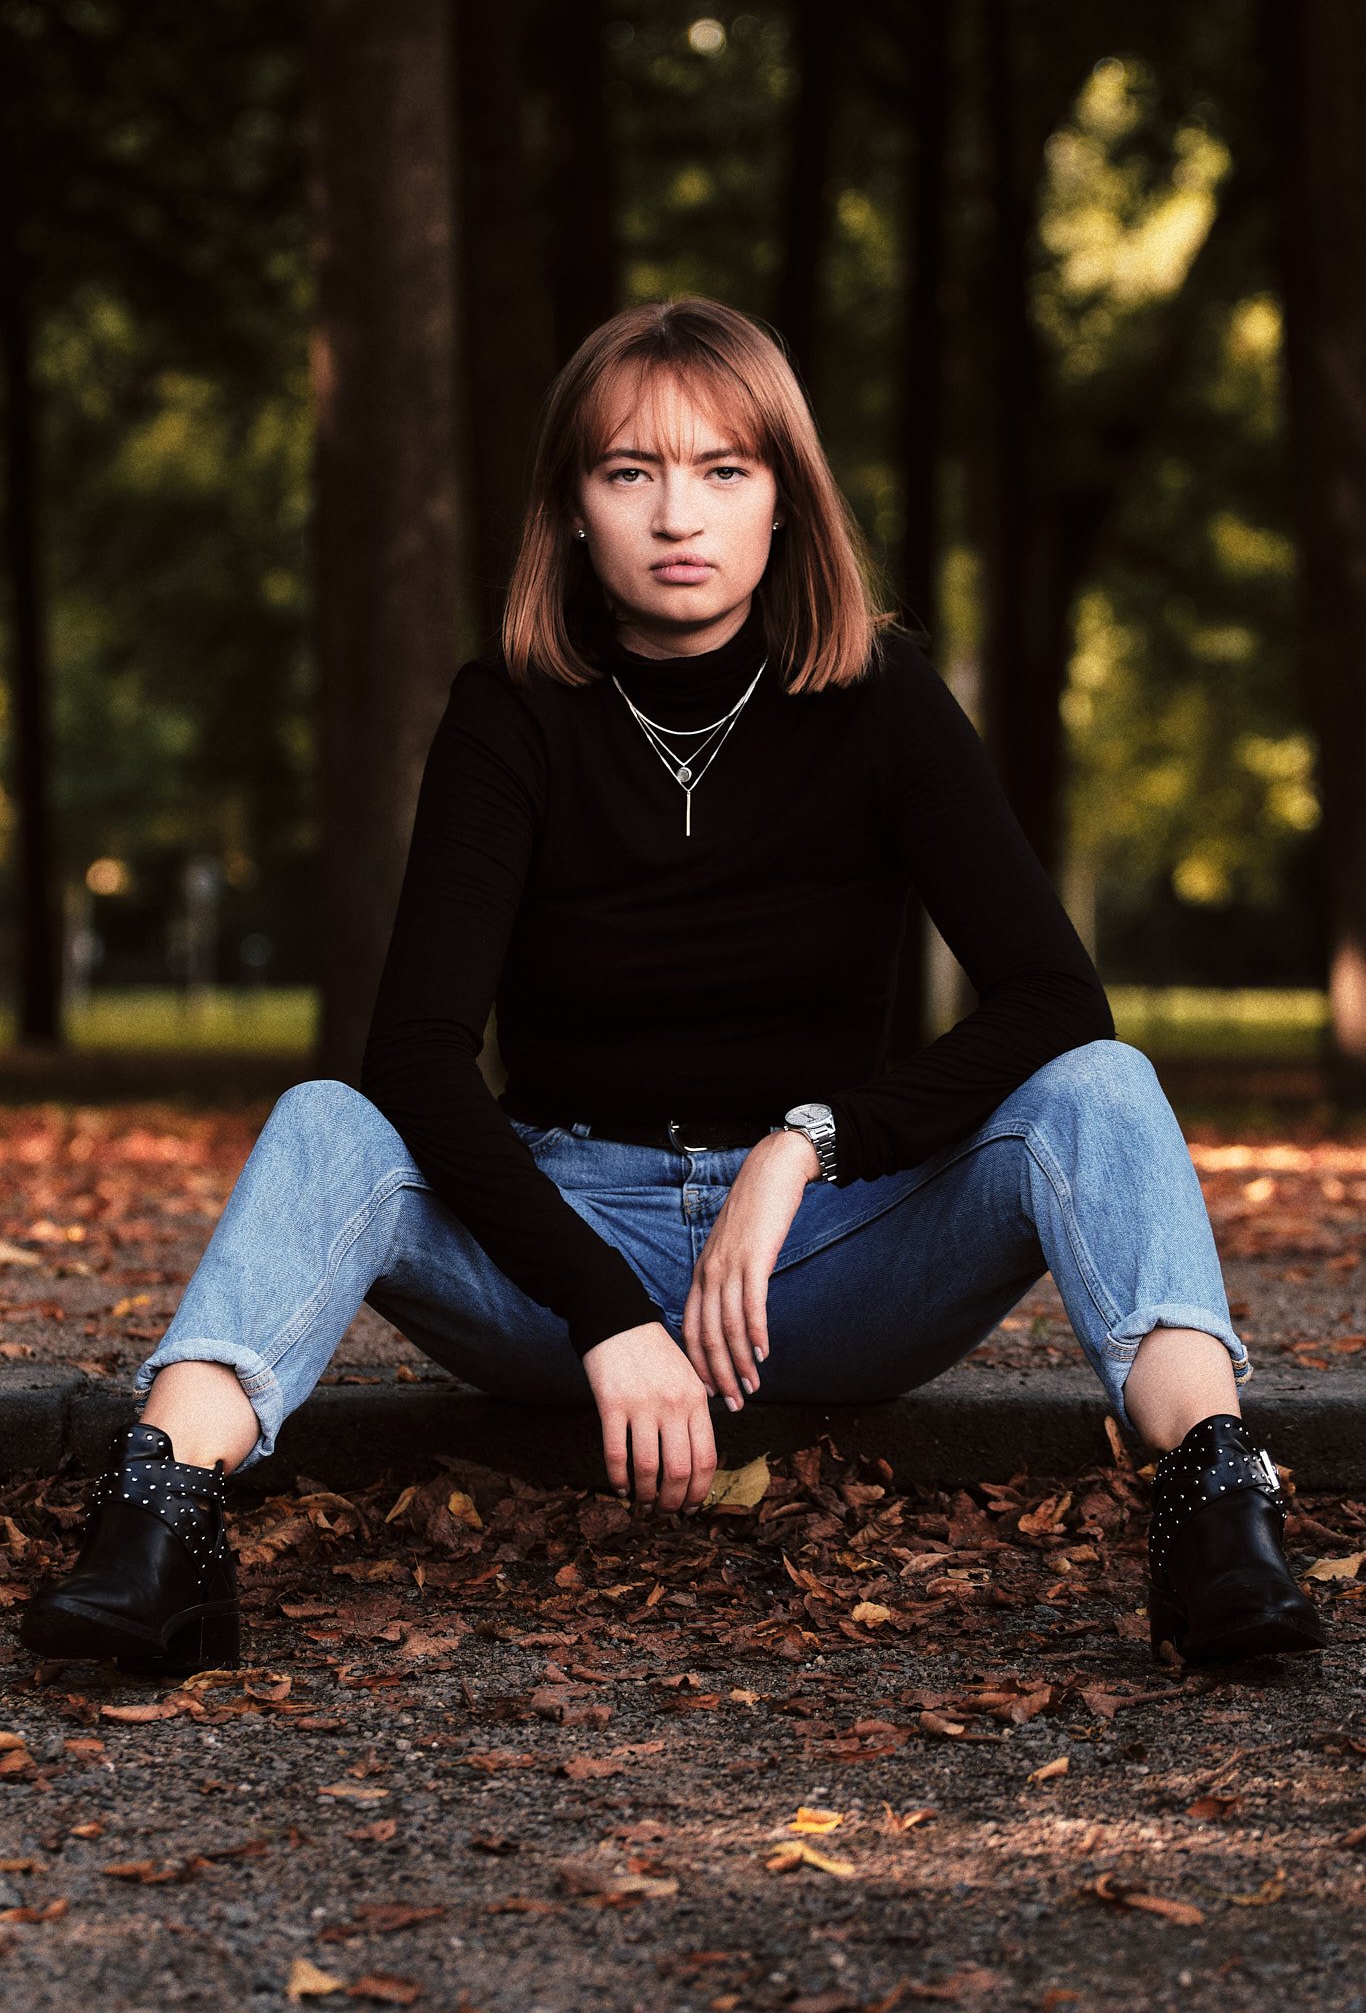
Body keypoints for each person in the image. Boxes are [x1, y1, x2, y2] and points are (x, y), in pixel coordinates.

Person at [21, 297, 1325, 1676]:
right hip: (558, 1247)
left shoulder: (877, 698)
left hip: (823, 1261)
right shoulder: (509, 713)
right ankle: (155, 1531)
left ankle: (1216, 1515)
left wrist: (805, 1145)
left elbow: (1052, 999)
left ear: (783, 502)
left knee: (1100, 1088)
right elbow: (415, 1053)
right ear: (574, 508)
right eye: (628, 471)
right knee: (327, 1119)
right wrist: (609, 1314)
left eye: (722, 470)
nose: (675, 514)